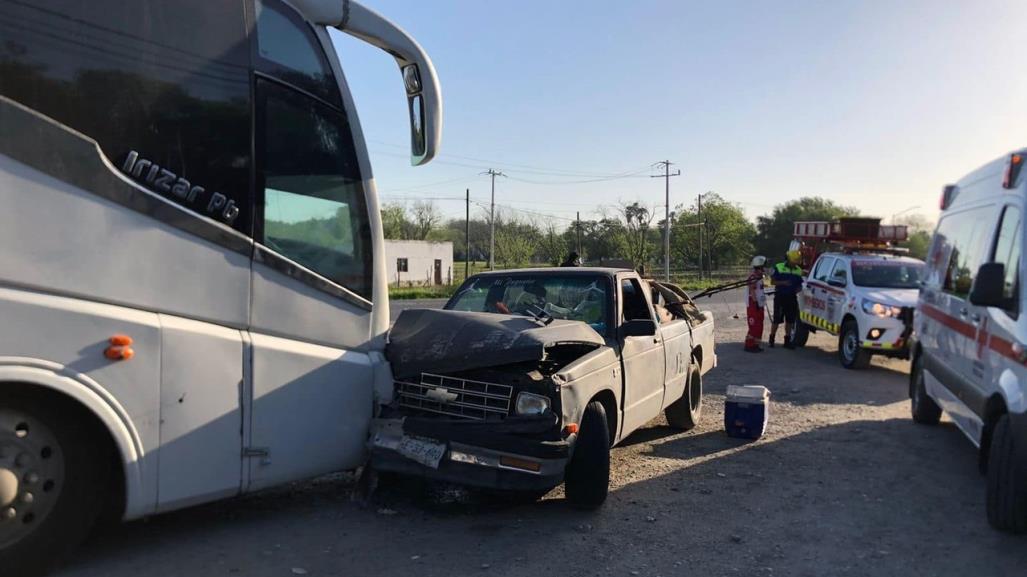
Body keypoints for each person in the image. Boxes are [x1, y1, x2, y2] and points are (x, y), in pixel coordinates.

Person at [769, 249, 804, 349]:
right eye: (793, 262)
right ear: (788, 259)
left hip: (792, 298)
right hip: (780, 296)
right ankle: (772, 339)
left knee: (790, 320)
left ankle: (787, 341)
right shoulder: (779, 267)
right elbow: (772, 282)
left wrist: (798, 289)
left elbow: (800, 285)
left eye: (796, 262)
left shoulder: (798, 270)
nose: (795, 264)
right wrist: (784, 283)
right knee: (777, 319)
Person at [745, 255, 767, 353]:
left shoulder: (759, 276)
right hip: (753, 304)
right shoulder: (753, 277)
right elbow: (752, 290)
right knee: (754, 324)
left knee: (759, 324)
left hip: (759, 304)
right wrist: (756, 302)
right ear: (759, 266)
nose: (764, 268)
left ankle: (756, 344)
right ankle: (749, 345)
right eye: (763, 266)